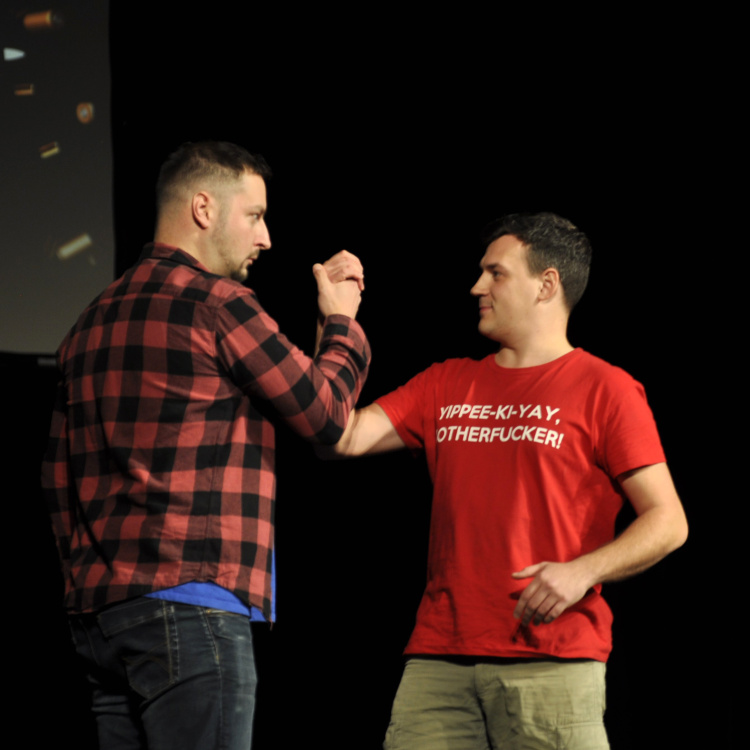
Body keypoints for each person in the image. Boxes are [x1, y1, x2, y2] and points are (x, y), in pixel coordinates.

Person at [41, 141, 371, 750]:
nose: (266, 237)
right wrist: (341, 324)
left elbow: (56, 479)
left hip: (99, 617)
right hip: (190, 607)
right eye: (255, 215)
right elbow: (325, 414)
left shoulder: (87, 322)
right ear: (202, 208)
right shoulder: (218, 304)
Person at [325, 212, 687, 749]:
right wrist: (335, 321)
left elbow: (669, 521)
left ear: (547, 284)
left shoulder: (605, 388)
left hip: (552, 660)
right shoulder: (447, 381)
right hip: (439, 659)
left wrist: (582, 571)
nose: (477, 287)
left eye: (495, 273)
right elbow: (339, 436)